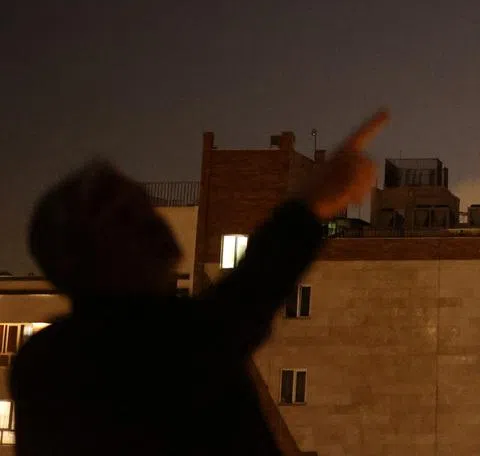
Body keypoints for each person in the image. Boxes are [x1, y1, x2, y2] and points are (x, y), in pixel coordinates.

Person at [11, 110, 389, 455]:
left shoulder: (54, 362)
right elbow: (243, 300)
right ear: (80, 256)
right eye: (124, 217)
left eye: (142, 203)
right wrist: (314, 202)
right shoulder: (90, 357)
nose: (151, 220)